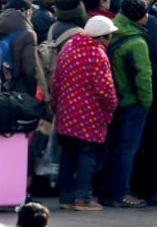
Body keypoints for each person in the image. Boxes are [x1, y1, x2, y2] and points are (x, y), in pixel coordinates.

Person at [52, 15, 117, 211]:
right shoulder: (97, 54)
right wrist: (112, 105)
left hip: (66, 111)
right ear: (102, 37)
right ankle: (83, 198)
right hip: (89, 114)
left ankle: (66, 197)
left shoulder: (68, 48)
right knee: (87, 154)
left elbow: (56, 79)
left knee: (68, 155)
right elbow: (104, 88)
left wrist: (55, 104)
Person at [101, 0, 153, 209]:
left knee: (111, 147)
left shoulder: (110, 32)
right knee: (127, 150)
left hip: (113, 100)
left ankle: (105, 192)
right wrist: (146, 102)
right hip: (132, 103)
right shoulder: (136, 42)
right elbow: (144, 76)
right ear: (139, 17)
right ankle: (121, 193)